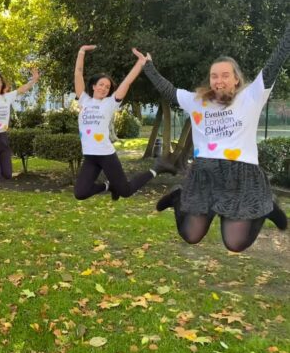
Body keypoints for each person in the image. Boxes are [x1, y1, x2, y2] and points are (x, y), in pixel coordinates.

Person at [133, 23, 289, 252]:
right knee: (191, 235)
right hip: (204, 174)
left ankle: (264, 207)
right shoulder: (198, 102)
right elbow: (169, 91)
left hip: (241, 176)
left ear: (236, 79)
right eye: (214, 76)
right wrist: (148, 66)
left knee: (235, 243)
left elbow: (275, 62)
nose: (219, 80)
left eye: (225, 75)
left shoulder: (252, 96)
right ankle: (178, 197)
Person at [74, 45, 177, 201]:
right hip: (90, 156)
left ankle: (157, 168)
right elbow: (78, 73)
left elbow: (127, 82)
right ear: (94, 86)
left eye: (107, 87)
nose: (104, 88)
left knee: (126, 191)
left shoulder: (110, 103)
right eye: (101, 84)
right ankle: (109, 186)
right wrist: (81, 51)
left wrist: (141, 63)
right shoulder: (84, 99)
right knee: (80, 193)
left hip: (105, 155)